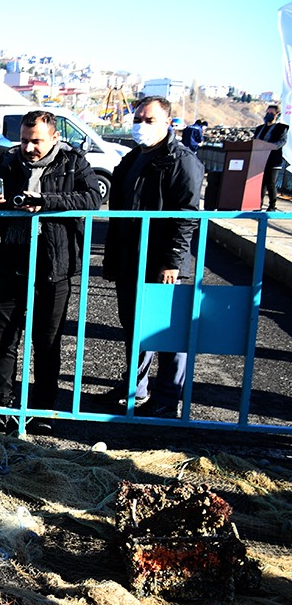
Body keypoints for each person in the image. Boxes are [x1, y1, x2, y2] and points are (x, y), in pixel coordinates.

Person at [0, 110, 98, 432]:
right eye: (24, 141)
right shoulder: (6, 161)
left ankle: (44, 409)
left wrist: (46, 201)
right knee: (4, 340)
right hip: (8, 262)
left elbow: (92, 198)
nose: (29, 148)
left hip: (53, 265)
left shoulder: (73, 162)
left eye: (37, 141)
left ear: (54, 138)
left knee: (47, 342)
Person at [103, 95, 203, 418]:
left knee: (166, 330)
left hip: (160, 260)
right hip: (130, 257)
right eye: (137, 119)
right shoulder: (132, 158)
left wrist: (172, 261)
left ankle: (167, 396)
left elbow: (186, 215)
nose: (140, 126)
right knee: (135, 325)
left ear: (168, 123)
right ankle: (135, 386)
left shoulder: (180, 160)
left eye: (149, 120)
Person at [254, 105, 288, 211]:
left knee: (271, 183)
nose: (268, 115)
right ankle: (257, 204)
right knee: (261, 183)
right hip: (260, 159)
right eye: (267, 113)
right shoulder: (260, 129)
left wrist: (270, 146)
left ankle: (272, 205)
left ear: (277, 115)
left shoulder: (281, 128)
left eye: (271, 113)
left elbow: (282, 141)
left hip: (273, 160)